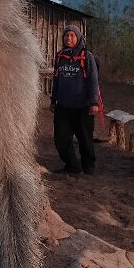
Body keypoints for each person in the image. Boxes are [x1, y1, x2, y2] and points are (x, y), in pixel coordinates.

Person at [50, 24, 100, 174]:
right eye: (66, 35)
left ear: (78, 38)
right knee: (61, 139)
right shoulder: (60, 57)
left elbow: (93, 80)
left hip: (83, 107)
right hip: (63, 107)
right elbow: (57, 80)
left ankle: (89, 167)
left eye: (72, 35)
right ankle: (72, 165)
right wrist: (53, 100)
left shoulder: (87, 56)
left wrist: (94, 103)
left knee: (85, 139)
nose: (69, 38)